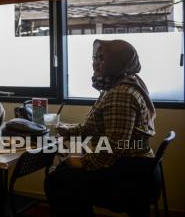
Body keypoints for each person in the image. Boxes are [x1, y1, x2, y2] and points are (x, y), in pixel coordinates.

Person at [44, 39, 156, 216]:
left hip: (129, 173)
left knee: (57, 180)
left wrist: (84, 161)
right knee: (64, 171)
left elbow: (114, 145)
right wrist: (69, 131)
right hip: (134, 165)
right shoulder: (120, 85)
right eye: (95, 57)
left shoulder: (120, 93)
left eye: (103, 58)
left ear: (118, 61)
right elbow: (97, 128)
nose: (96, 62)